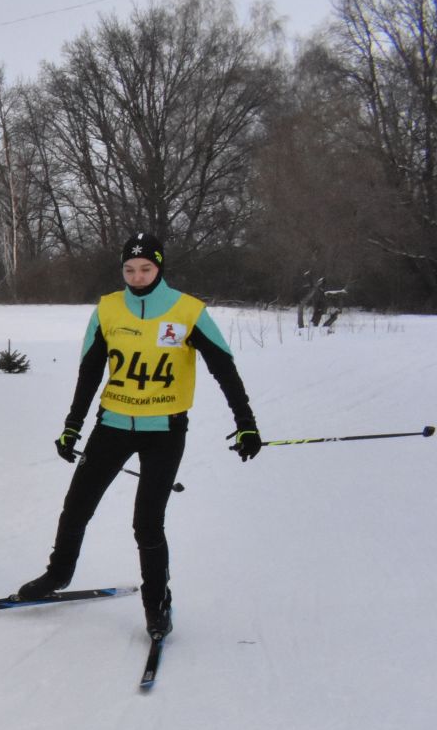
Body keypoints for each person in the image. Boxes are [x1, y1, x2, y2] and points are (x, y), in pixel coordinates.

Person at [14, 232, 261, 638]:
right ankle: (57, 575)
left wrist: (246, 423)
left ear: (159, 267)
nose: (138, 276)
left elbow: (224, 369)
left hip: (164, 431)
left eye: (146, 268)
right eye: (129, 269)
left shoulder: (188, 311)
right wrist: (72, 425)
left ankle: (156, 603)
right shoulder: (108, 309)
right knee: (76, 507)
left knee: (146, 524)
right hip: (111, 425)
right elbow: (90, 372)